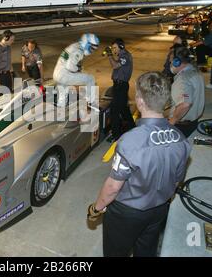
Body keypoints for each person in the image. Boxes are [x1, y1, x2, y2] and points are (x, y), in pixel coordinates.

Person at [87, 71, 191, 257]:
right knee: (146, 250)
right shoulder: (181, 138)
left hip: (127, 213)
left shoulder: (130, 141)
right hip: (159, 210)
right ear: (166, 102)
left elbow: (112, 187)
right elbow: (176, 181)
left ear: (141, 101)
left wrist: (96, 208)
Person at [53, 33, 99, 106]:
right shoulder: (79, 50)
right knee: (90, 79)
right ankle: (91, 102)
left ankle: (60, 111)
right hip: (64, 74)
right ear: (86, 43)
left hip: (57, 73)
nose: (92, 51)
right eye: (92, 48)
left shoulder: (74, 46)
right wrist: (78, 69)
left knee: (62, 98)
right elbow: (70, 66)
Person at [168, 46, 205, 137]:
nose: (170, 64)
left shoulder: (183, 79)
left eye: (171, 61)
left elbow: (185, 104)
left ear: (177, 62)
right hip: (193, 122)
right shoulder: (195, 71)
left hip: (181, 126)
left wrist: (170, 123)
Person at [106, 38, 135, 142]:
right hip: (118, 86)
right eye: (112, 48)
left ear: (121, 47)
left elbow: (114, 66)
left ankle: (116, 135)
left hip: (121, 87)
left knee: (115, 111)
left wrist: (109, 55)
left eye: (115, 48)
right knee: (124, 109)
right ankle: (132, 128)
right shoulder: (122, 55)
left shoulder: (125, 56)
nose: (113, 50)